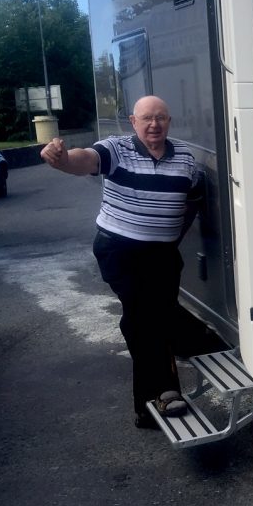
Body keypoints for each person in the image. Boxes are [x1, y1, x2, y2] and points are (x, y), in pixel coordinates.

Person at [40, 95, 203, 429]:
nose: (154, 124)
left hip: (163, 255)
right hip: (120, 251)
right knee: (144, 315)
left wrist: (172, 236)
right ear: (133, 121)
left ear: (169, 121)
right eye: (146, 118)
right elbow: (83, 160)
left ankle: (148, 408)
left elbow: (193, 200)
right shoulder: (116, 149)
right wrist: (61, 159)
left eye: (161, 117)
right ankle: (164, 393)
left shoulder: (185, 157)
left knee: (154, 315)